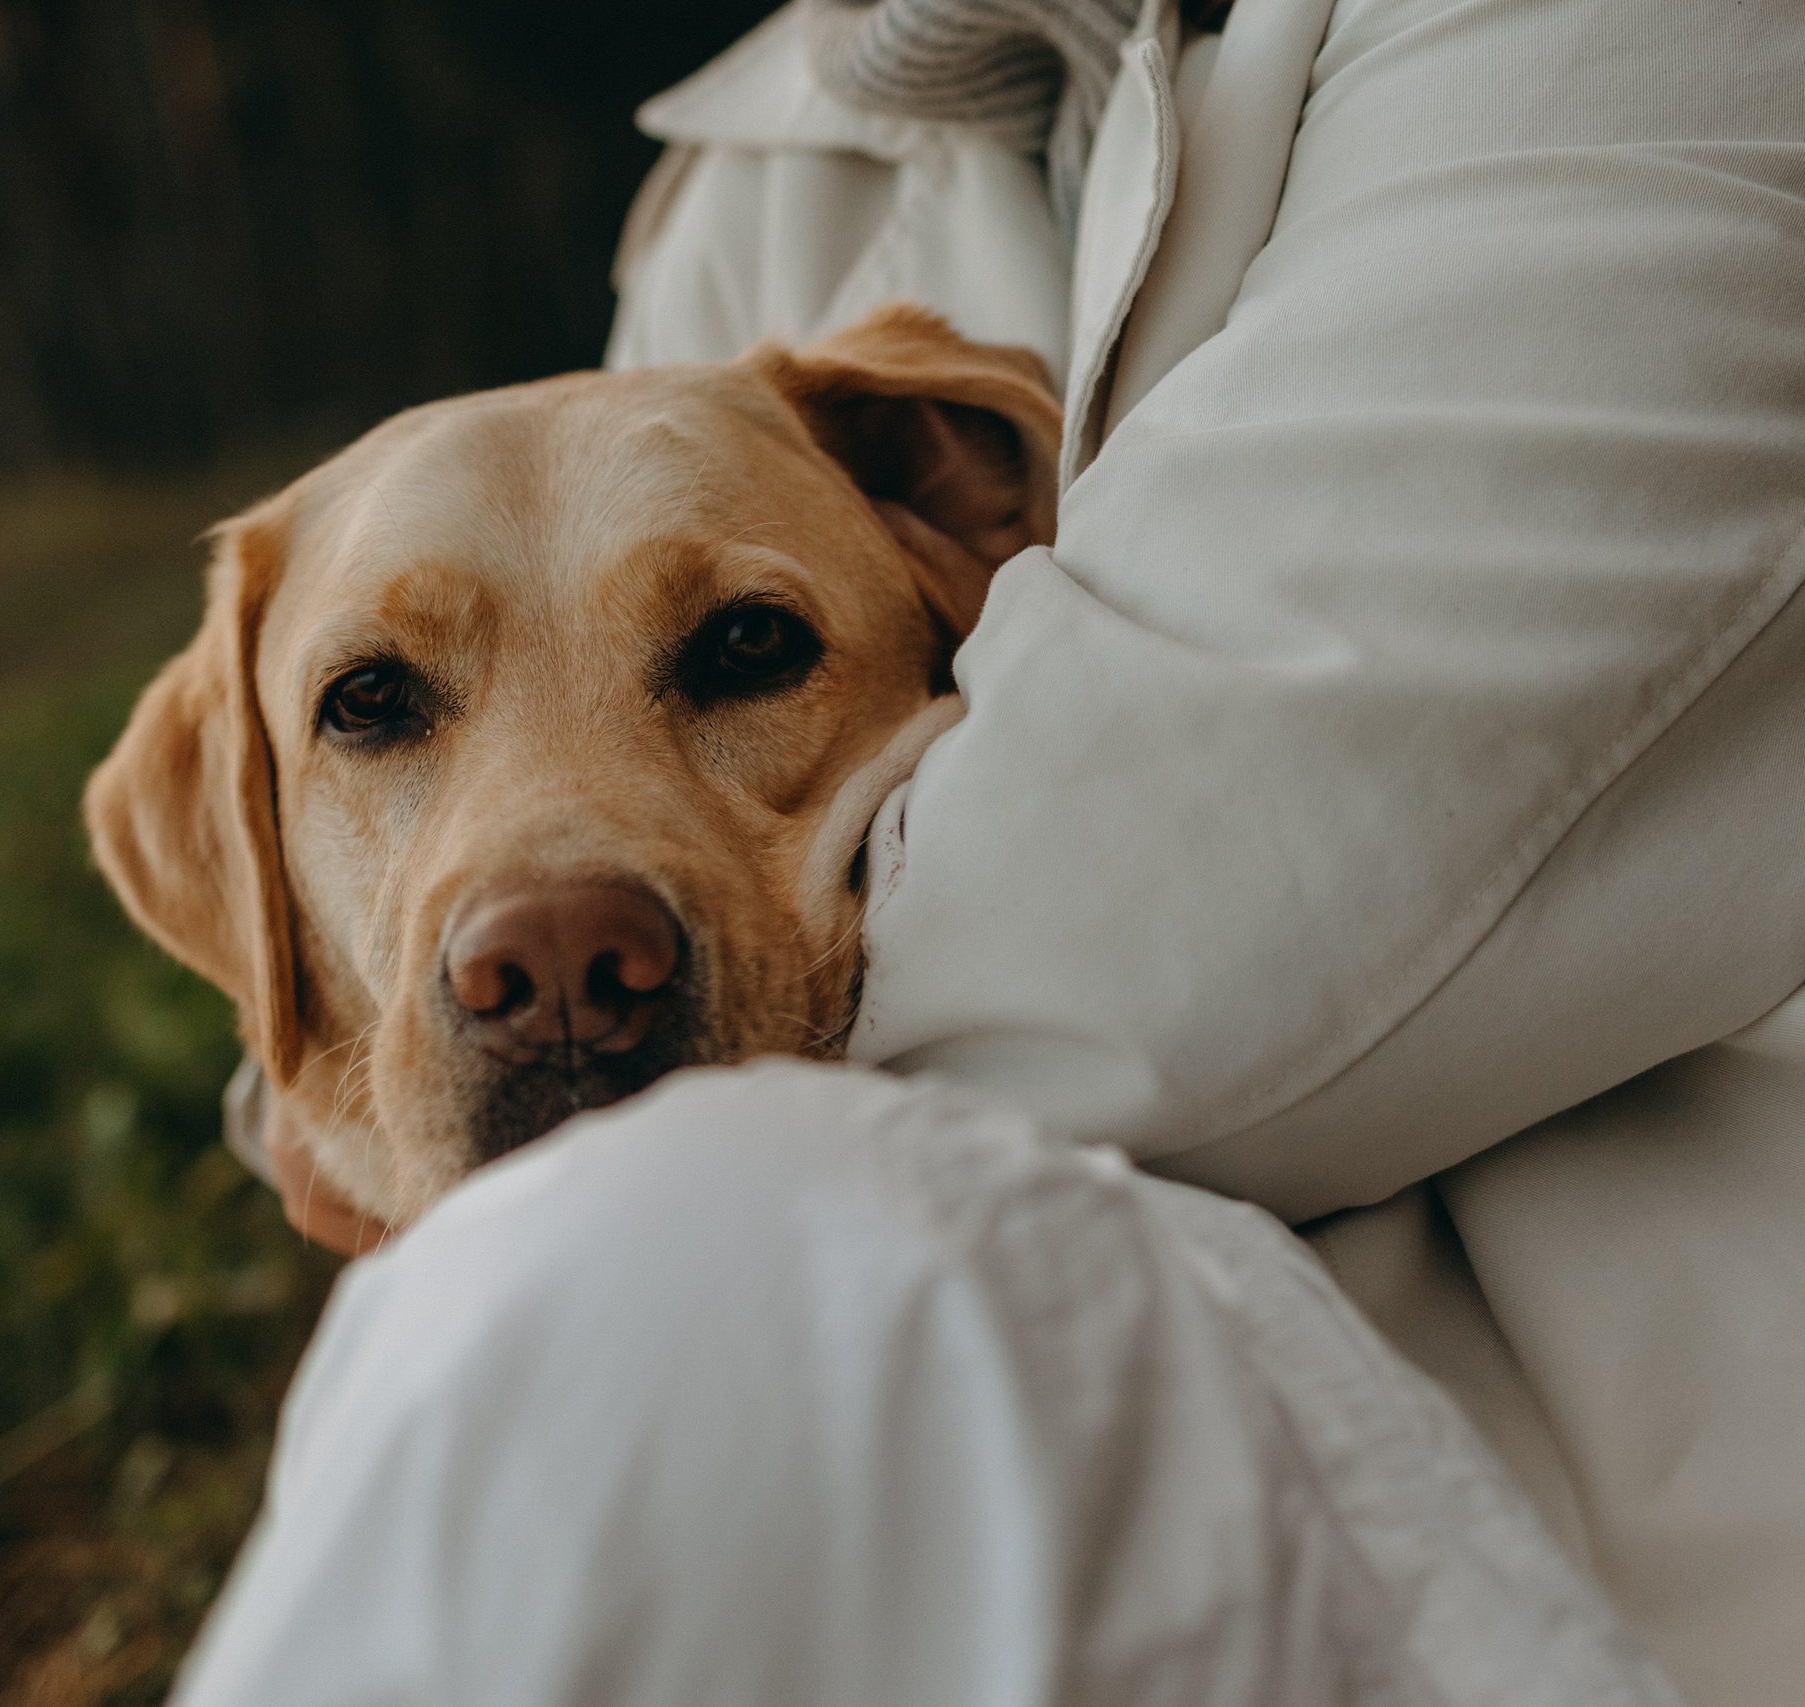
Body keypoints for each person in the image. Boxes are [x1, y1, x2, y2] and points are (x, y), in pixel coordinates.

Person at [176, 0, 1805, 1700]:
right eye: (374, 705)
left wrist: (381, 1111)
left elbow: (1262, 904)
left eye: (741, 653)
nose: (546, 919)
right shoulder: (737, 185)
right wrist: (345, 1064)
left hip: (1591, 1496)